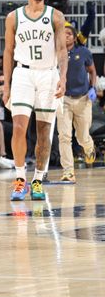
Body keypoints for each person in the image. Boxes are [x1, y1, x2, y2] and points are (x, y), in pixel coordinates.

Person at [2, 0, 67, 201]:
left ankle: (38, 180)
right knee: (19, 127)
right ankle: (20, 179)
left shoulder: (56, 15)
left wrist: (63, 77)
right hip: (23, 73)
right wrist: (6, 84)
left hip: (48, 74)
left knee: (43, 131)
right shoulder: (14, 17)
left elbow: (61, 50)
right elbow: (8, 51)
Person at [56, 23, 97, 183]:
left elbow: (92, 70)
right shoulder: (55, 53)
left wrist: (93, 87)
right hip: (63, 99)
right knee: (64, 136)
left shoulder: (84, 52)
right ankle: (68, 172)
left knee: (82, 137)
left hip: (83, 99)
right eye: (63, 33)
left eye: (69, 34)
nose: (66, 36)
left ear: (74, 37)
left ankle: (89, 147)